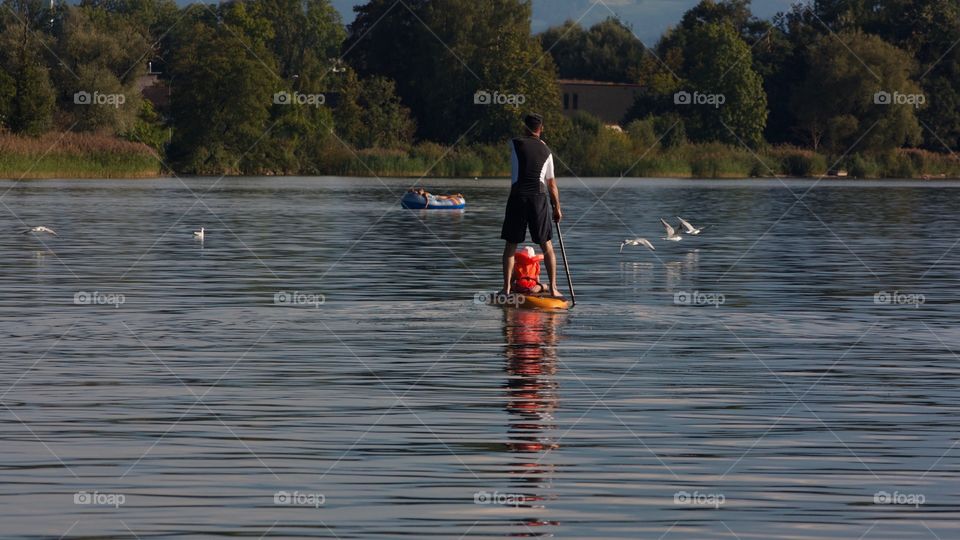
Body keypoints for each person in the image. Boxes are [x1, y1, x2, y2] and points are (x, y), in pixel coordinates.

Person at [500, 113, 562, 297]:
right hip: (539, 198)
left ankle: (506, 289)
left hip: (518, 197)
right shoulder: (547, 151)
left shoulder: (515, 143)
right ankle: (553, 288)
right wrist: (556, 208)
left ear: (524, 128)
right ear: (540, 129)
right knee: (547, 246)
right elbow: (551, 184)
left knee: (511, 245)